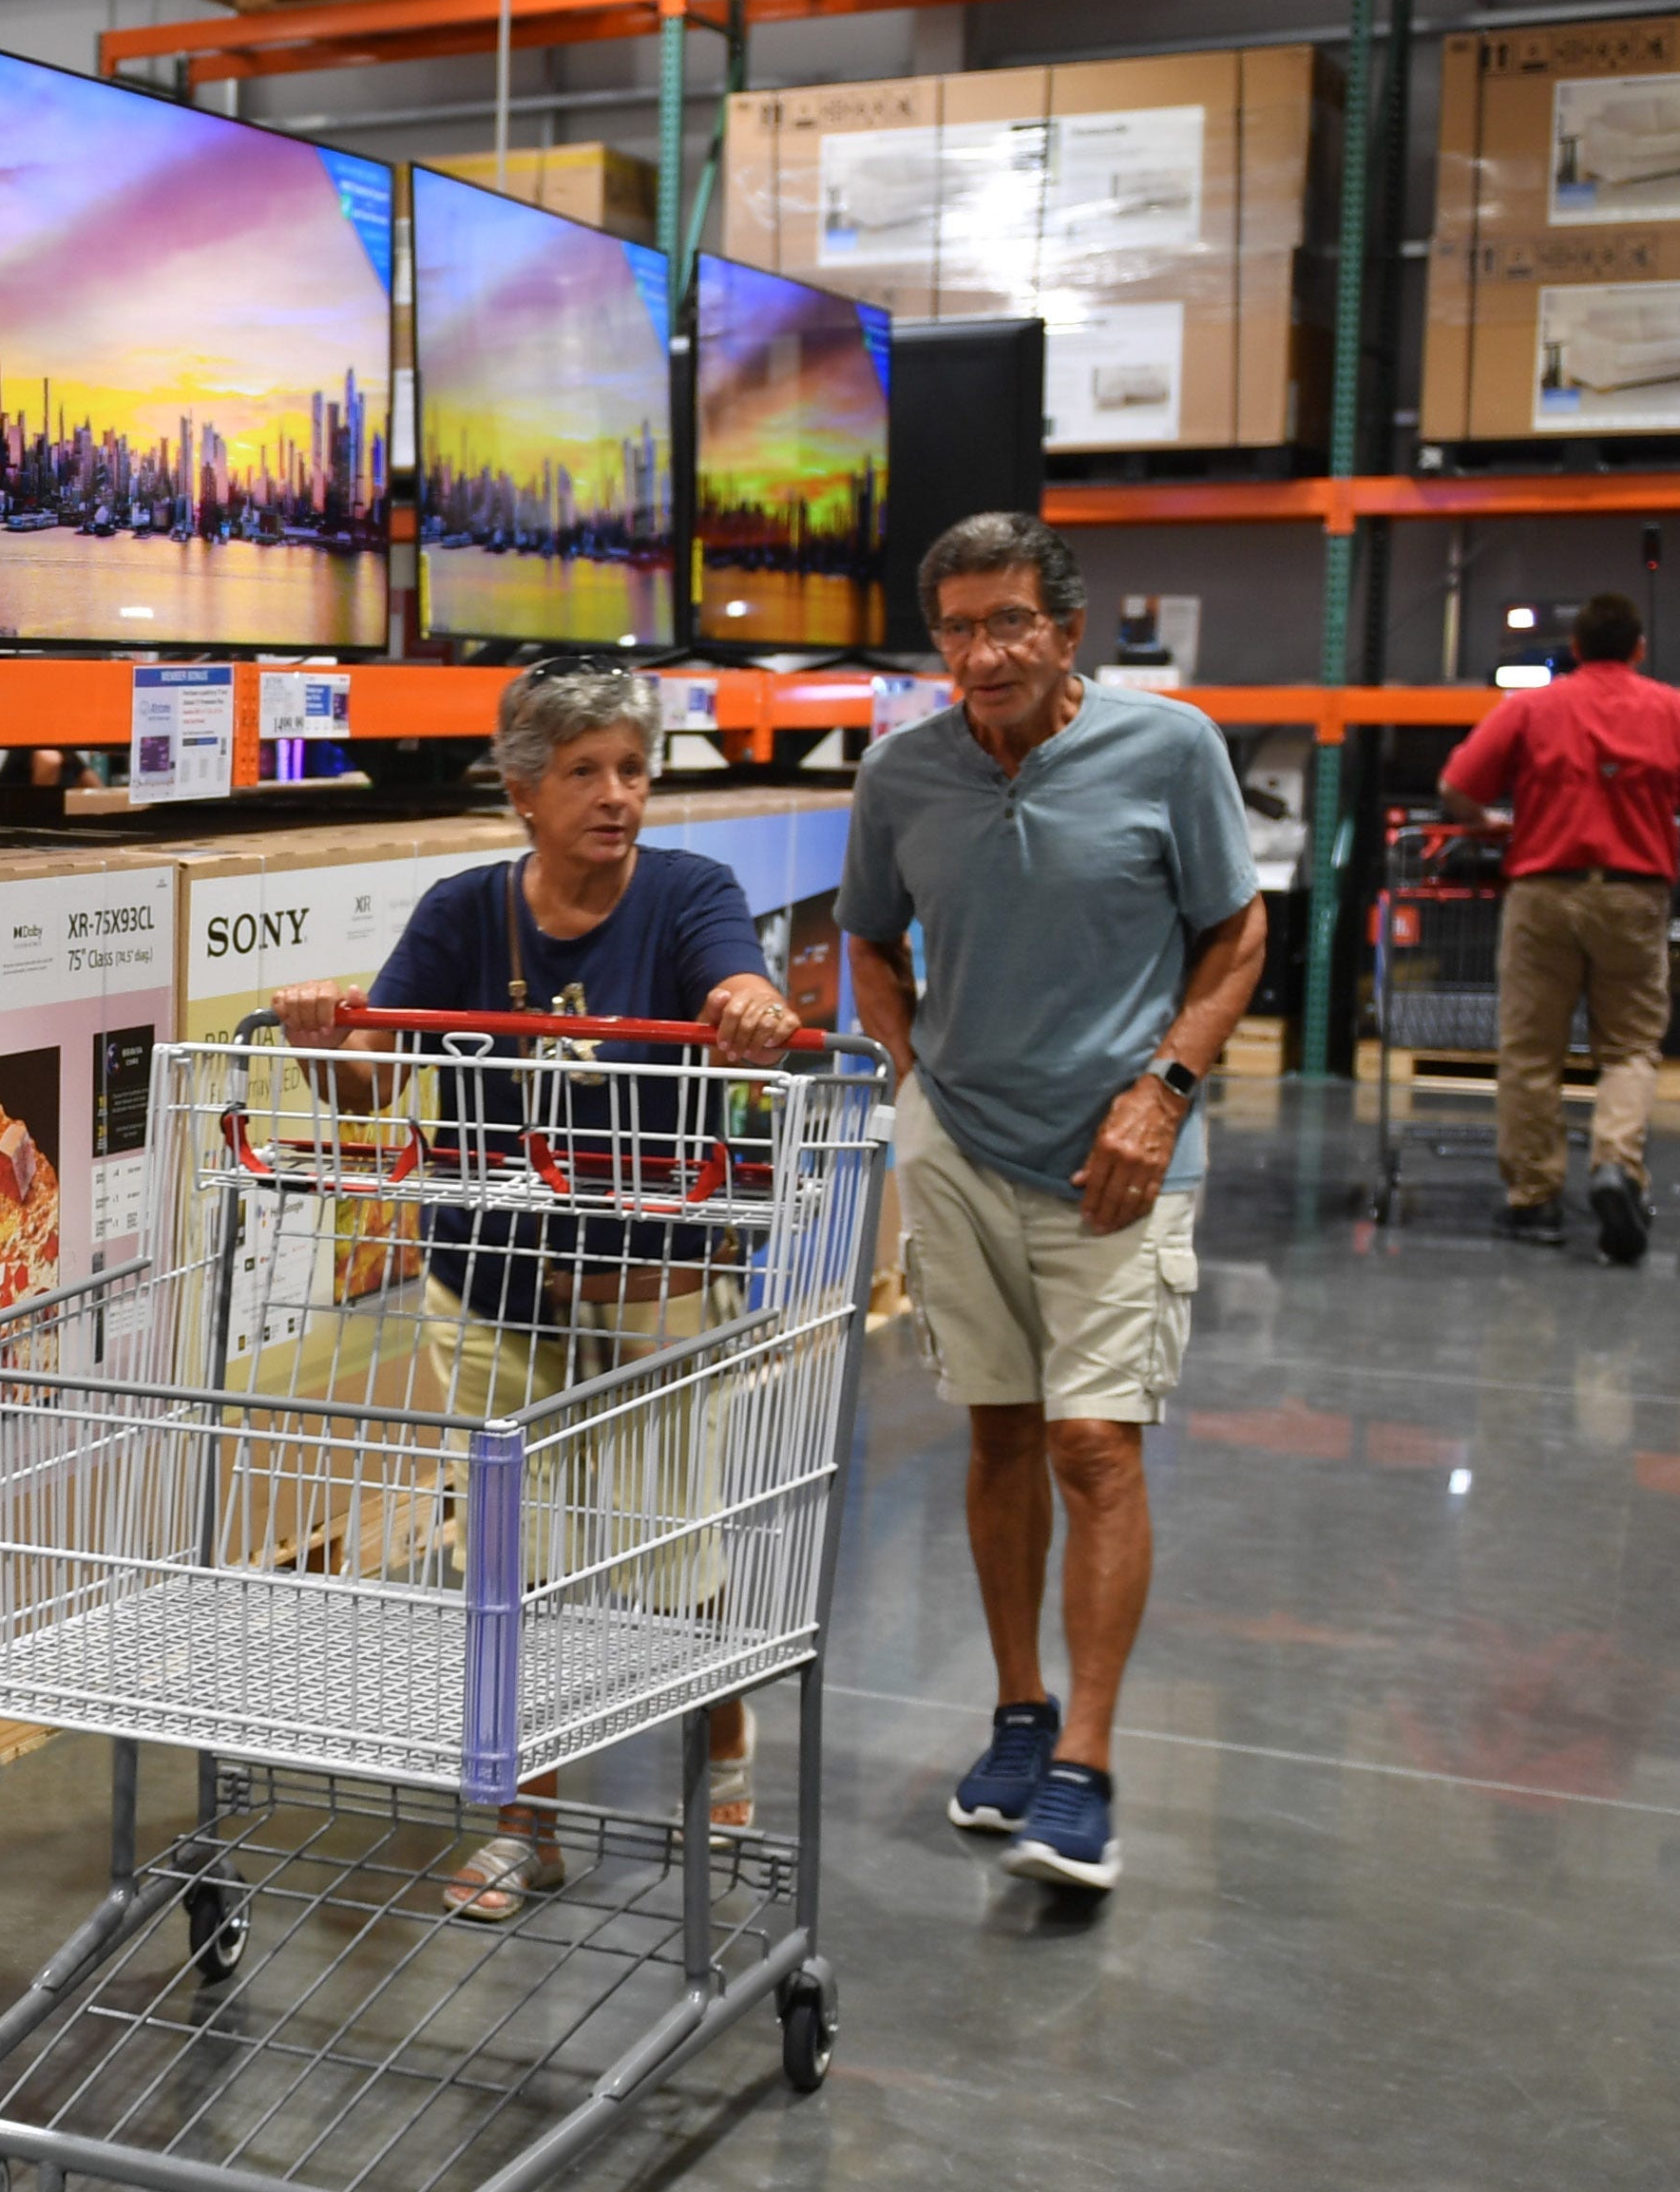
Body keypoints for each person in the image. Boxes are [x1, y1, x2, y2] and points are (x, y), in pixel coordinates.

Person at [280, 660, 798, 1923]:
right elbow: (371, 1080)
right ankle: (528, 1819)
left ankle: (721, 1734)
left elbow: (735, 977)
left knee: (674, 1551)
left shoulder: (688, 895)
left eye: (632, 768)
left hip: (650, 1289)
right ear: (522, 791)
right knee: (515, 1560)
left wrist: (744, 1002)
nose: (618, 795)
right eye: (585, 772)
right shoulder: (463, 913)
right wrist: (320, 1039)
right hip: (494, 1285)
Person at [840, 514, 1264, 1896]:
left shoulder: (1171, 749)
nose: (982, 652)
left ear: (1068, 630)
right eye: (958, 627)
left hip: (1118, 1155)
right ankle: (1017, 1714)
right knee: (1001, 1434)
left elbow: (1233, 929)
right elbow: (866, 934)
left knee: (1097, 1445)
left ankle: (1085, 1764)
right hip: (959, 1150)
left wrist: (1167, 1086)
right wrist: (912, 1074)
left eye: (1009, 621)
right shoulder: (903, 774)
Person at [1437, 592, 1680, 1265]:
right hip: (1635, 896)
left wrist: (1486, 824)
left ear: (1574, 648)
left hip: (1543, 894)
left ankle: (1534, 1200)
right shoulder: (1677, 709)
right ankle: (1616, 1166)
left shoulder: (1533, 706)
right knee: (1629, 1048)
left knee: (1532, 1052)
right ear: (1639, 647)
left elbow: (1457, 783)